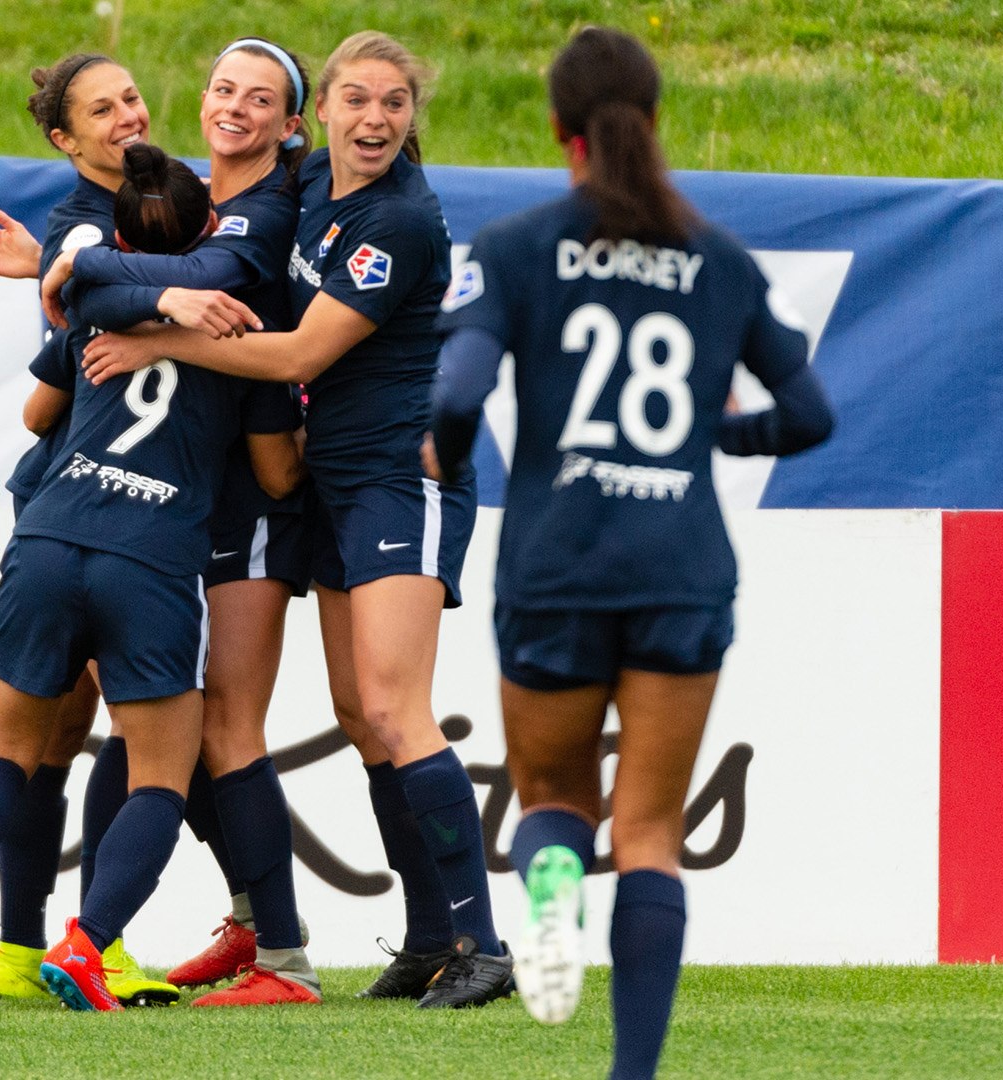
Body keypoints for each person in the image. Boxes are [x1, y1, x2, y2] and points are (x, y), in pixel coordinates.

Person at [425, 27, 834, 1078]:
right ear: (651, 124)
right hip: (678, 563)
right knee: (650, 832)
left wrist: (447, 452)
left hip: (557, 562)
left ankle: (551, 885)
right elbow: (809, 412)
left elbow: (460, 388)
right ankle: (633, 1073)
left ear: (560, 132)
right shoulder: (718, 259)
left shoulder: (517, 247)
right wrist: (718, 435)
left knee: (555, 798)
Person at [80, 30, 512, 1009]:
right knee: (362, 718)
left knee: (399, 709)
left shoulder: (401, 218)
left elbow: (299, 357)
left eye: (393, 103)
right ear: (321, 113)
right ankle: (429, 937)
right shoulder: (313, 183)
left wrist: (158, 340)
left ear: (412, 116)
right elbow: (204, 192)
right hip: (331, 482)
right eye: (356, 99)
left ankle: (482, 945)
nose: (374, 119)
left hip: (405, 478)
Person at [0, 143, 304, 1013]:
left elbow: (34, 415)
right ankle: (87, 943)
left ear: (123, 241)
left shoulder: (97, 308)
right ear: (213, 229)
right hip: (153, 557)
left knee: (3, 752)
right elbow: (278, 476)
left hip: (51, 537)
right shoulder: (241, 322)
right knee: (159, 778)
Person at [43, 36, 321, 1007]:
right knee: (156, 730)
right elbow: (108, 288)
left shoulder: (266, 211)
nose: (232, 106)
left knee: (225, 728)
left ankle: (283, 959)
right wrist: (91, 282)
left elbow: (186, 285)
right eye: (220, 88)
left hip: (242, 505)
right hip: (171, 513)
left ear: (292, 126)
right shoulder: (200, 196)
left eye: (259, 97)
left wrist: (119, 303)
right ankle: (198, 935)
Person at [0, 52, 179, 1008]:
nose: (127, 116)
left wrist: (43, 274)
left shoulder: (154, 203)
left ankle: (16, 939)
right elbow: (99, 286)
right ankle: (84, 944)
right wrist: (55, 267)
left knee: (49, 732)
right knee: (113, 727)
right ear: (64, 139)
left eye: (130, 98)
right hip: (115, 504)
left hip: (59, 500)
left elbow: (46, 393)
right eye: (101, 110)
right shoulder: (86, 222)